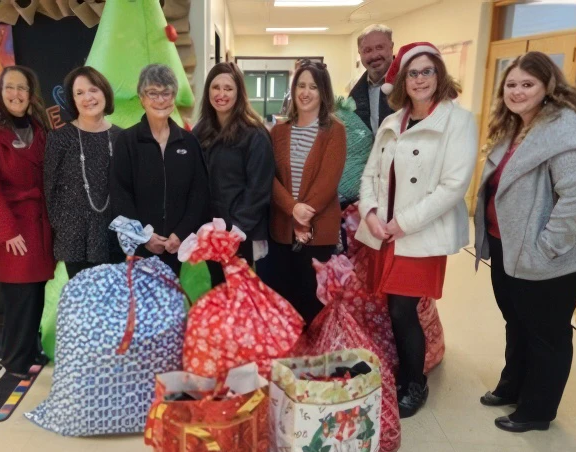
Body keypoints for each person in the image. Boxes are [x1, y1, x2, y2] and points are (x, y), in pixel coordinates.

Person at [474, 51, 576, 433]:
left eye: (527, 84)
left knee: (546, 333)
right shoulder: (516, 125)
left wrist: (547, 247)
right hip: (509, 247)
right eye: (511, 84)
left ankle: (537, 410)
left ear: (548, 86)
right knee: (516, 321)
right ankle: (512, 386)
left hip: (553, 256)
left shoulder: (570, 129)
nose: (517, 91)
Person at [356, 42, 477, 418]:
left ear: (439, 75)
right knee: (395, 309)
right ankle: (404, 375)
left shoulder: (458, 122)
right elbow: (371, 174)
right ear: (403, 81)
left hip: (418, 234)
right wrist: (370, 212)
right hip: (385, 232)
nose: (420, 79)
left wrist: (403, 223)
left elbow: (453, 186)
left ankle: (415, 383)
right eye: (413, 73)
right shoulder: (394, 123)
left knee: (403, 309)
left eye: (427, 71)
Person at [0, 66, 55, 380]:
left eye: (22, 88)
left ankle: (29, 349)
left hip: (41, 224)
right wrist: (7, 231)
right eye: (10, 88)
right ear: (0, 94)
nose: (16, 94)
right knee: (19, 296)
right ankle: (15, 359)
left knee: (36, 292)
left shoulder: (40, 128)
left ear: (31, 95)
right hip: (14, 226)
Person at [264, 60, 346, 326]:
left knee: (312, 303)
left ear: (324, 92)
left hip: (318, 230)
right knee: (284, 302)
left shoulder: (335, 130)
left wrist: (303, 217)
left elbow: (328, 181)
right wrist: (293, 210)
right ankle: (289, 358)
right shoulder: (279, 130)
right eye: (301, 85)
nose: (306, 92)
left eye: (313, 86)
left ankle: (312, 363)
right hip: (281, 230)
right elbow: (271, 178)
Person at [110, 64, 209, 275]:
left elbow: (199, 194)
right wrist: (143, 237)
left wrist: (180, 234)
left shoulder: (189, 142)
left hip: (177, 247)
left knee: (172, 303)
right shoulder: (127, 141)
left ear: (174, 97)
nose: (160, 99)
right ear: (141, 98)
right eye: (152, 93)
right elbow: (120, 195)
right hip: (139, 248)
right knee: (141, 306)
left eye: (166, 93)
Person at [193, 62, 275, 285]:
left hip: (241, 234)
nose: (221, 94)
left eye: (228, 88)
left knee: (241, 299)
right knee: (218, 290)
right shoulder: (200, 132)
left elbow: (258, 189)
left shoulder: (254, 134)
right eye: (215, 87)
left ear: (239, 92)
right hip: (210, 233)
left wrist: (235, 232)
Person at [44, 66, 123, 280]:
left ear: (104, 92)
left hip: (115, 237)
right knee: (84, 309)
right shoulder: (59, 139)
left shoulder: (122, 137)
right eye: (79, 93)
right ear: (72, 100)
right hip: (75, 240)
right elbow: (50, 191)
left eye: (93, 90)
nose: (87, 97)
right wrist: (63, 229)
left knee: (113, 307)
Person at [349, 24, 396, 133]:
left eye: (379, 47)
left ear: (391, 47)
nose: (374, 55)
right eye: (367, 50)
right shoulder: (355, 95)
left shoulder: (411, 85)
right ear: (359, 53)